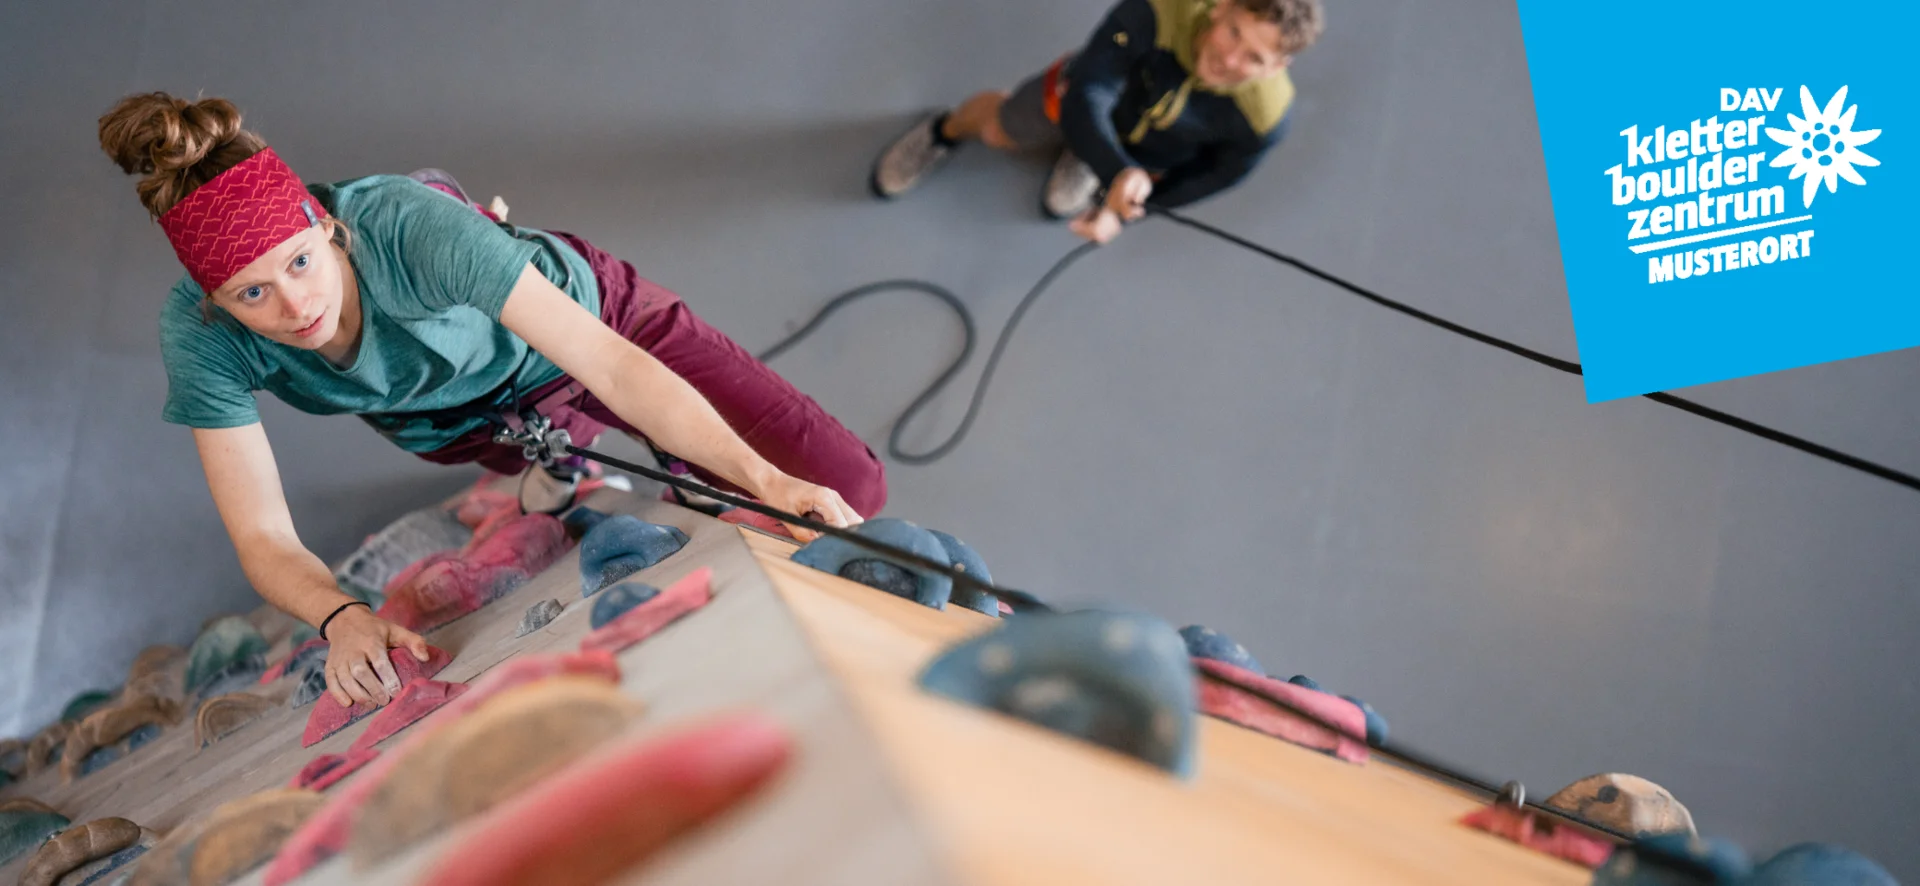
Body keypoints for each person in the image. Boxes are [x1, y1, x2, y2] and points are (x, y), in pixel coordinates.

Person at [98, 93, 886, 711]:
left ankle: (597, 458)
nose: (297, 307)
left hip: (593, 327)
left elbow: (612, 366)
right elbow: (263, 533)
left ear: (327, 228)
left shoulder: (408, 226)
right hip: (455, 413)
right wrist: (341, 617)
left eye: (301, 262)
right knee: (572, 467)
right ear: (214, 301)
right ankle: (556, 463)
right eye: (252, 293)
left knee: (845, 485)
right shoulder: (199, 335)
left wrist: (767, 479)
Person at [871, 0, 1323, 244]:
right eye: (1233, 32)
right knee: (998, 129)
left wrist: (1121, 214)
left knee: (1083, 180)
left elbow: (1213, 177)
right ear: (1222, 5)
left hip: (1142, 157)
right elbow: (1089, 91)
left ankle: (1085, 156)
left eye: (1254, 57)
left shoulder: (1266, 119)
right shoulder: (1154, 11)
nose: (1228, 58)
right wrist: (1116, 170)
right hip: (1084, 100)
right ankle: (943, 131)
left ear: (1278, 67)